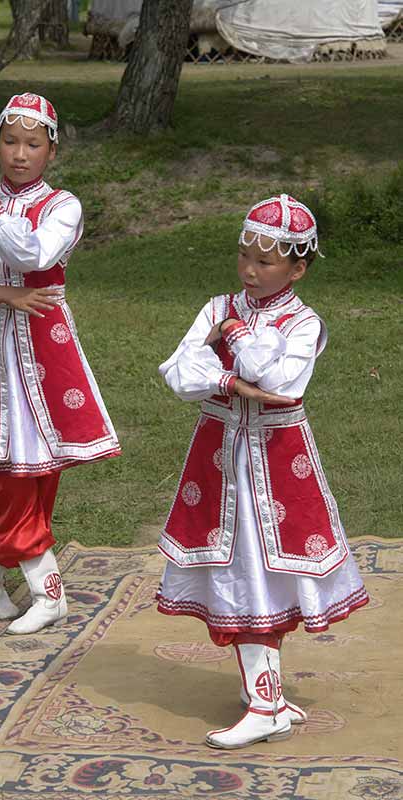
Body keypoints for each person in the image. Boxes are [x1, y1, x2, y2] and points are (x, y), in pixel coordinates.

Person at [156, 194, 369, 749]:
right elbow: (179, 372)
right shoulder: (216, 304)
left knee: (263, 571)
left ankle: (267, 702)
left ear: (298, 268)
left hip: (276, 463)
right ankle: (267, 694)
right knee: (239, 569)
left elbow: (278, 382)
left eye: (266, 261)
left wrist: (231, 341)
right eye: (245, 256)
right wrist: (227, 381)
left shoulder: (304, 324)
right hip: (219, 453)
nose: (250, 270)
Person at [0, 93, 120, 635]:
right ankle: (45, 588)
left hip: (45, 350)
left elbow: (33, 255)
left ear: (51, 152)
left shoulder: (63, 206)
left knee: (36, 471)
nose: (19, 154)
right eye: (10, 142)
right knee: (3, 468)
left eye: (32, 144)